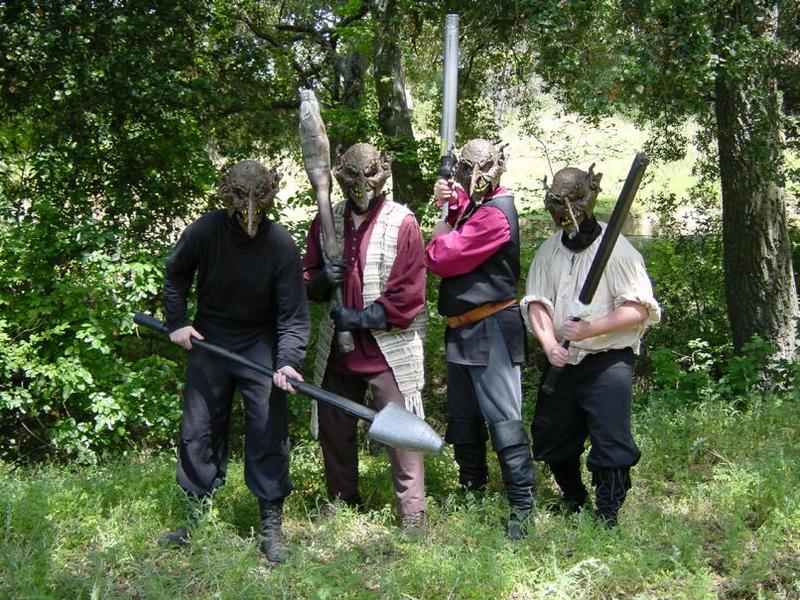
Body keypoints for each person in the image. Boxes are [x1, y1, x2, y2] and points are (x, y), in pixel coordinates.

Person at [159, 159, 310, 563]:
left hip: (260, 344)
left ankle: (271, 525)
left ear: (268, 197)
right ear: (227, 196)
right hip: (209, 340)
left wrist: (288, 360)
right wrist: (178, 322)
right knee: (198, 429)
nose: (248, 210)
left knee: (267, 429)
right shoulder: (205, 231)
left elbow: (293, 314)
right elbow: (176, 274)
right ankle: (195, 516)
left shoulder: (280, 244)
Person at [521, 164, 660, 527]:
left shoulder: (618, 252)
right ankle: (574, 497)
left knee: (610, 440)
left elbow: (637, 309)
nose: (566, 212)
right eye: (558, 204)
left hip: (608, 360)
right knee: (552, 435)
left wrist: (590, 329)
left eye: (573, 202)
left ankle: (607, 513)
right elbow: (536, 303)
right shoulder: (549, 252)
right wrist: (550, 345)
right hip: (563, 359)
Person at [302, 143, 428, 537]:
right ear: (338, 176)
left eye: (369, 174)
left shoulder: (402, 222)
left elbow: (409, 294)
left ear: (383, 172)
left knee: (401, 432)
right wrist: (323, 279)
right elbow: (306, 277)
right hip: (338, 350)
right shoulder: (327, 219)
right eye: (351, 176)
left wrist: (358, 318)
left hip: (388, 349)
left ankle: (412, 514)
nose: (361, 185)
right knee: (335, 428)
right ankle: (342, 501)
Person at [426, 139, 536, 540]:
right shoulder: (480, 206)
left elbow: (442, 257)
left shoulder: (497, 215)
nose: (474, 178)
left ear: (496, 168)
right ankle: (472, 490)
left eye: (481, 169)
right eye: (466, 170)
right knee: (464, 418)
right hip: (463, 329)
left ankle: (522, 506)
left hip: (491, 327)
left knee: (503, 420)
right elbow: (466, 210)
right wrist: (450, 200)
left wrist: (439, 230)